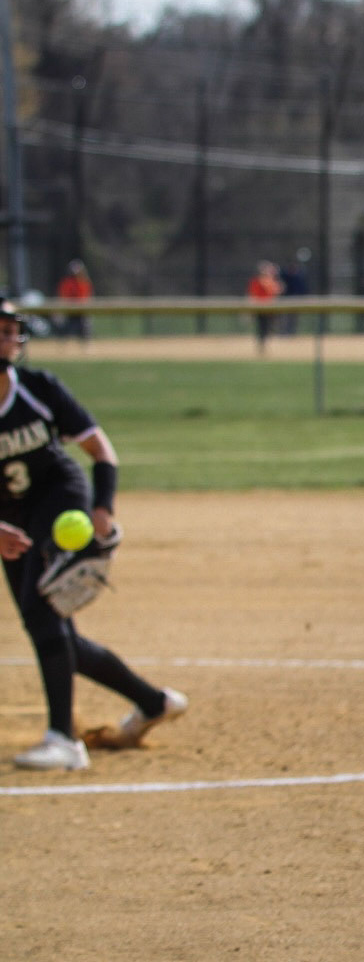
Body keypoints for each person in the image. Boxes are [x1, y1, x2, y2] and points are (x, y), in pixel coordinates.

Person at [0, 300, 187, 770]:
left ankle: (63, 740)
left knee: (42, 613)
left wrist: (102, 508)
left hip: (60, 504)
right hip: (10, 520)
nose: (6, 339)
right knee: (52, 630)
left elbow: (100, 449)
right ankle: (153, 702)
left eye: (10, 330)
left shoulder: (39, 389)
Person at [246, 260, 283, 353]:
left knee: (269, 327)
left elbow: (277, 290)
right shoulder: (257, 281)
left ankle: (265, 344)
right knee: (262, 328)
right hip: (260, 308)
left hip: (270, 308)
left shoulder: (271, 280)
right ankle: (262, 346)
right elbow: (252, 295)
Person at [54, 259, 93, 343]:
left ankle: (86, 342)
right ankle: (61, 342)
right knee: (60, 320)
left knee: (86, 323)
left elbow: (85, 298)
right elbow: (63, 297)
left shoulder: (84, 282)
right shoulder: (66, 282)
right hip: (68, 309)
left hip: (81, 310)